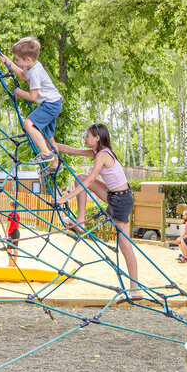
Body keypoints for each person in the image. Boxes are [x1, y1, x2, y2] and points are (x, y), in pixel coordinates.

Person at [53, 123, 141, 298]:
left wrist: (66, 197)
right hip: (113, 195)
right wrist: (51, 143)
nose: (85, 139)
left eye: (87, 136)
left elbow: (91, 180)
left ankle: (135, 289)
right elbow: (71, 150)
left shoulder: (102, 154)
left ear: (97, 138)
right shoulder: (97, 152)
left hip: (121, 200)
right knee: (80, 178)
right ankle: (80, 221)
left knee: (125, 245)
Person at [0, 37, 62, 168]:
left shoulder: (35, 73)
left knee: (28, 124)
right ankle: (55, 164)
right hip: (54, 103)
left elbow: (32, 97)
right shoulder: (32, 66)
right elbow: (23, 75)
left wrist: (18, 91)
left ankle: (45, 153)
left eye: (17, 59)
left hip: (50, 105)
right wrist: (10, 63)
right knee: (48, 137)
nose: (16, 61)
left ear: (27, 60)